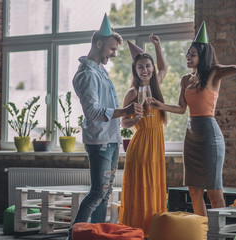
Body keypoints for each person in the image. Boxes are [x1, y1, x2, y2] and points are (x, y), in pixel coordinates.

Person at [151, 21, 236, 216]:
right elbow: (181, 108)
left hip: (210, 137)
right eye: (187, 53)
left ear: (202, 56)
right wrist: (160, 105)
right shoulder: (186, 79)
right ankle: (203, 232)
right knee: (194, 190)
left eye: (192, 54)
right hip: (191, 136)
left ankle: (217, 234)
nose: (188, 57)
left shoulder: (214, 73)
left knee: (213, 190)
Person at [67, 13, 143, 239]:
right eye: (111, 49)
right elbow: (93, 112)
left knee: (105, 193)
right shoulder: (87, 74)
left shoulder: (100, 70)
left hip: (110, 140)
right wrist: (125, 111)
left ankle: (96, 235)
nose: (113, 54)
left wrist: (127, 115)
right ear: (98, 44)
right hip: (99, 142)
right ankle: (74, 235)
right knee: (97, 192)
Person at [119, 34, 167, 236]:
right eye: (140, 67)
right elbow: (123, 122)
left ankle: (153, 229)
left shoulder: (155, 86)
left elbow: (164, 68)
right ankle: (138, 231)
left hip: (157, 144)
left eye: (148, 66)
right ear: (135, 70)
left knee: (154, 187)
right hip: (141, 145)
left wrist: (157, 45)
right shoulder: (132, 92)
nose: (145, 70)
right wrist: (137, 120)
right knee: (142, 189)